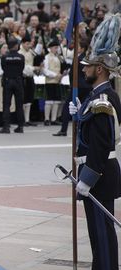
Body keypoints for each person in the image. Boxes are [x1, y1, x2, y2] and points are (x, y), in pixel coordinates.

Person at [69, 16, 121, 269]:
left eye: (88, 66)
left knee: (101, 232)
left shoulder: (102, 101)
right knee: (97, 233)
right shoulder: (99, 97)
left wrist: (87, 179)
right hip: (98, 172)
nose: (84, 69)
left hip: (98, 174)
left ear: (99, 69)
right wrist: (80, 114)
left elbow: (102, 145)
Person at [0, 38, 25, 134]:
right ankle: (20, 126)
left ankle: (6, 127)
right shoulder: (21, 57)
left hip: (8, 81)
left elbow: (3, 68)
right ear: (16, 46)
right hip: (18, 81)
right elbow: (22, 68)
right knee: (19, 105)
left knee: (6, 104)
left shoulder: (4, 57)